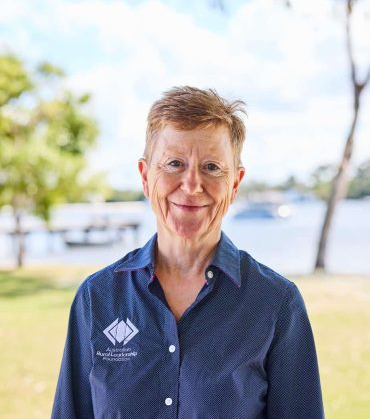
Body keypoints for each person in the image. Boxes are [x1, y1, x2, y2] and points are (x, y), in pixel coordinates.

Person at [52, 86, 324, 418]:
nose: (192, 184)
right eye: (175, 163)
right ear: (145, 176)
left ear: (235, 183)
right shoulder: (97, 298)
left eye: (211, 167)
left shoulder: (276, 303)